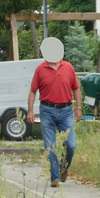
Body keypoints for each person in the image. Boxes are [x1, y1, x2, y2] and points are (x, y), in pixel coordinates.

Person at [26, 37, 83, 187]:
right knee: (50, 146)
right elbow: (32, 91)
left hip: (66, 111)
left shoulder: (68, 67)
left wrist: (78, 107)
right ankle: (55, 177)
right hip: (47, 111)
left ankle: (64, 167)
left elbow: (76, 88)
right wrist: (30, 110)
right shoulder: (40, 69)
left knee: (70, 145)